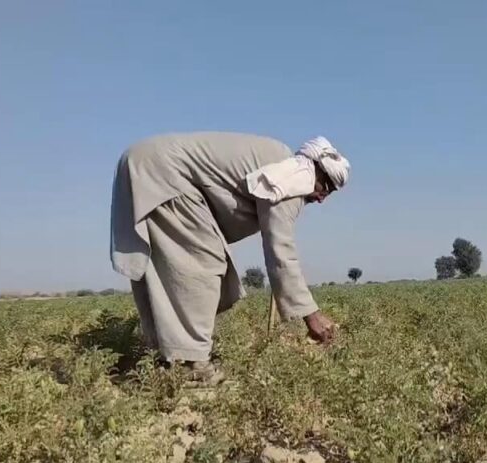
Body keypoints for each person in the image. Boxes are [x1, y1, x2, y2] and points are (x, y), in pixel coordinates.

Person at [109, 132, 351, 384]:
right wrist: (311, 316)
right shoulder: (290, 177)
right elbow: (281, 250)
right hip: (163, 172)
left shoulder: (280, 167)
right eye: (326, 186)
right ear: (315, 171)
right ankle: (190, 366)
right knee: (202, 263)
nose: (322, 198)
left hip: (150, 165)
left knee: (170, 268)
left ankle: (167, 356)